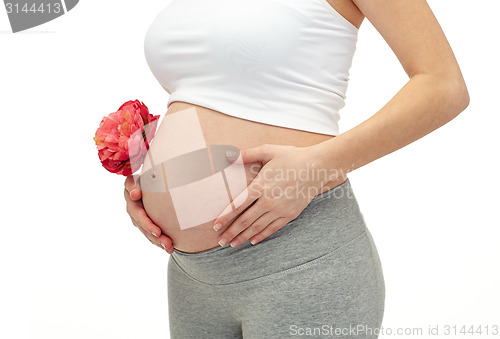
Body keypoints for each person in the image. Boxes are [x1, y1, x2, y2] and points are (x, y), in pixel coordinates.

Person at [124, 0, 469, 337]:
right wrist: (151, 175)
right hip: (191, 276)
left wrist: (318, 165)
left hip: (298, 260)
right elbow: (212, 91)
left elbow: (443, 85)